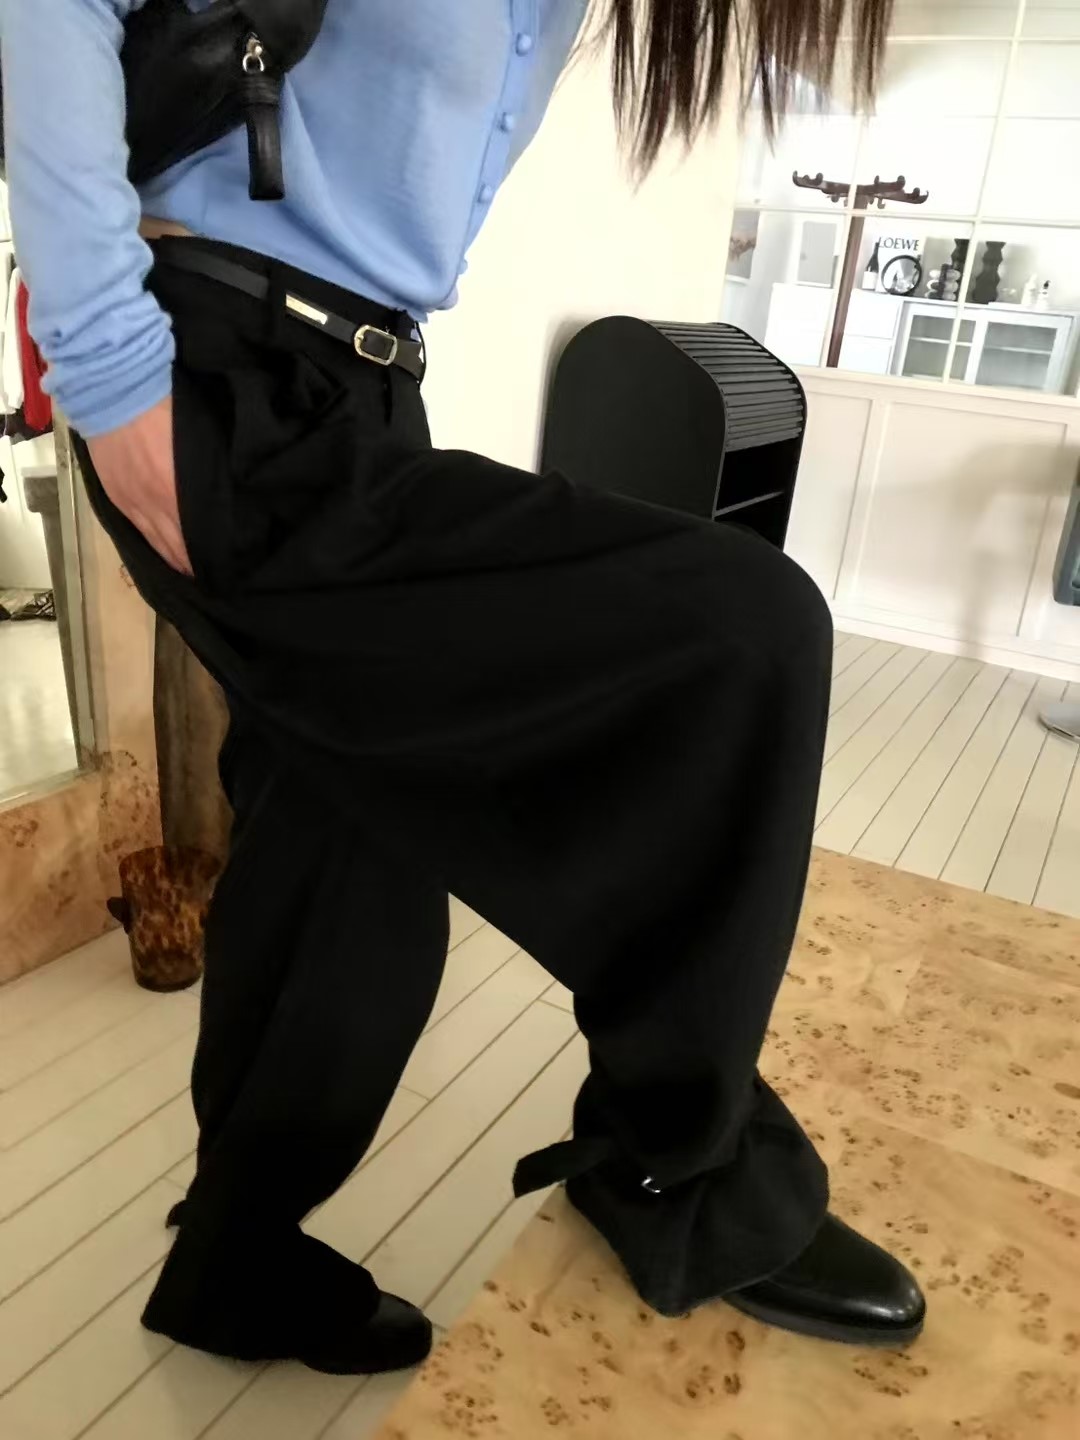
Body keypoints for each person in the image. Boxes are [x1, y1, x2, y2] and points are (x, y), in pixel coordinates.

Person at [0, 0, 924, 1376]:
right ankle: (678, 1165)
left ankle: (237, 1258)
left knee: (345, 849)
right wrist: (109, 375)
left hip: (361, 393)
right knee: (747, 633)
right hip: (216, 381)